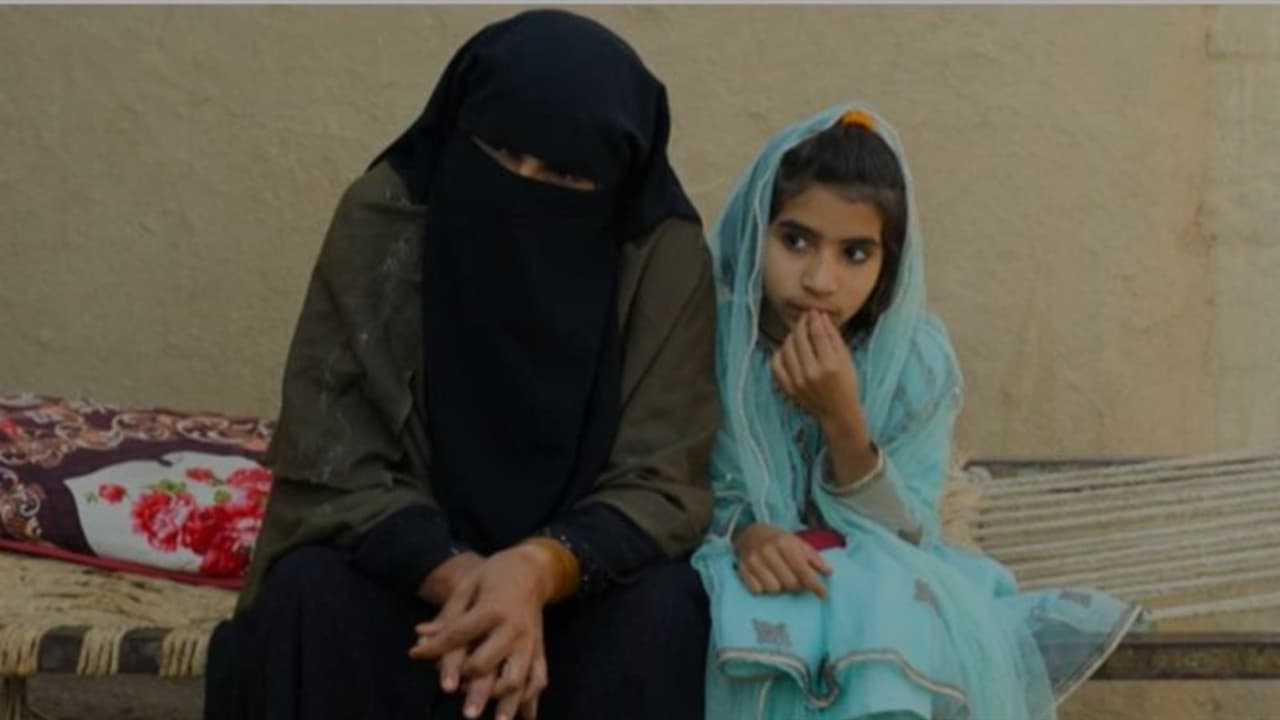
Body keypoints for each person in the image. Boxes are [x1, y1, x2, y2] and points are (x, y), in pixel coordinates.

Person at [204, 10, 720, 720]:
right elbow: (333, 457)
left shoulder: (659, 255)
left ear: (614, 187)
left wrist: (536, 570)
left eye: (565, 176)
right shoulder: (389, 214)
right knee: (309, 594)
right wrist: (470, 583)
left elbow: (662, 479)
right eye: (501, 153)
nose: (524, 185)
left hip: (579, 584)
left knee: (664, 614)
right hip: (409, 571)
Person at [693, 103, 1144, 720]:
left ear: (889, 264)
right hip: (739, 571)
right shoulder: (710, 345)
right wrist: (747, 534)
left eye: (855, 253)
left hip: (886, 578)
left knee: (887, 594)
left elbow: (908, 535)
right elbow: (679, 489)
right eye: (795, 241)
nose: (821, 279)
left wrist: (842, 418)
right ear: (756, 229)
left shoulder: (912, 362)